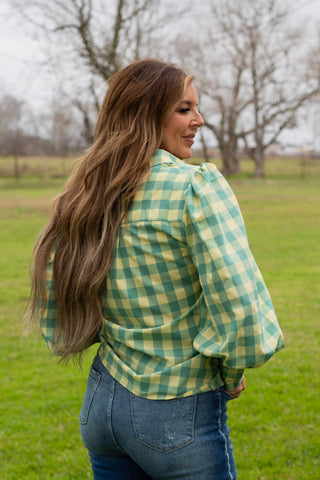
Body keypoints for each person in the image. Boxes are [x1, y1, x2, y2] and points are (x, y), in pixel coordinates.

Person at [28, 59, 284, 480]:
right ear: (144, 113)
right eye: (184, 109)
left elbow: (56, 310)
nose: (198, 120)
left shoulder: (85, 195)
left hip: (101, 408)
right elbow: (239, 306)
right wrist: (232, 371)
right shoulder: (194, 188)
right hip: (177, 415)